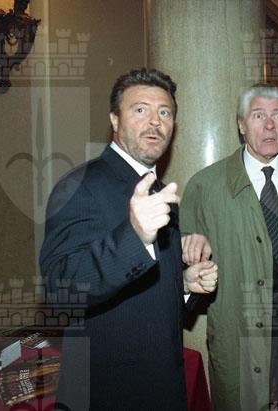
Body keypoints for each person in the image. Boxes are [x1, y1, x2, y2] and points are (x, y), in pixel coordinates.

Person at [39, 68, 218, 410]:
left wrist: (183, 285)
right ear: (115, 120)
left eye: (164, 112)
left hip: (162, 385)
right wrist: (134, 236)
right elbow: (58, 291)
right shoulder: (79, 184)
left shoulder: (161, 192)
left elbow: (146, 292)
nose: (155, 122)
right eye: (140, 109)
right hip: (108, 392)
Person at [180, 83, 278, 410]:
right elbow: (182, 270)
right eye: (258, 116)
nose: (269, 125)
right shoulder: (205, 186)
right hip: (240, 329)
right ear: (241, 125)